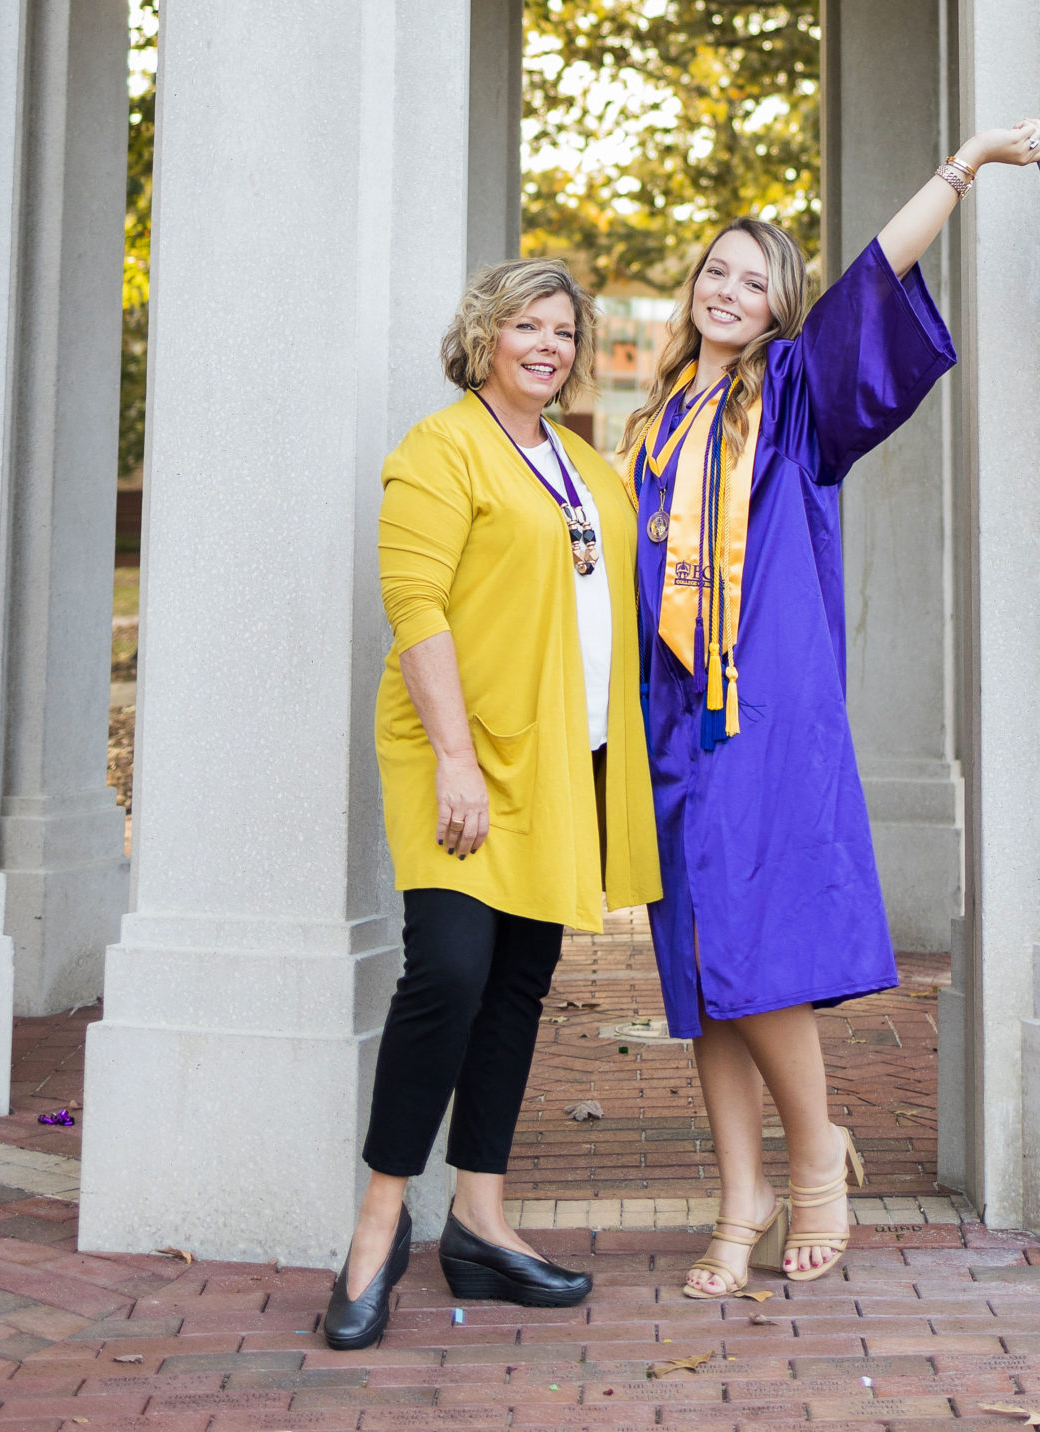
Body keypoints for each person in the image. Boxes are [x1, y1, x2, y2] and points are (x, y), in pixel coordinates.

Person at [626, 122, 1040, 1298]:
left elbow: (882, 272)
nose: (729, 288)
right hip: (673, 721)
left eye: (756, 279)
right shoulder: (653, 424)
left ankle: (815, 1160)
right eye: (717, 267)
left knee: (757, 948)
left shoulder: (798, 399)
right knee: (704, 967)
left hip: (765, 711)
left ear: (781, 310)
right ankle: (740, 1191)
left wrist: (960, 166)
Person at [323, 259, 661, 1347]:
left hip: (561, 762)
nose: (550, 344)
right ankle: (378, 1230)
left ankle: (481, 1220)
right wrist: (458, 759)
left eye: (565, 329)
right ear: (485, 335)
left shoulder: (584, 468)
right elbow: (414, 604)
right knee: (450, 976)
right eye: (529, 323)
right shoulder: (441, 449)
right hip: (459, 761)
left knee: (518, 985)